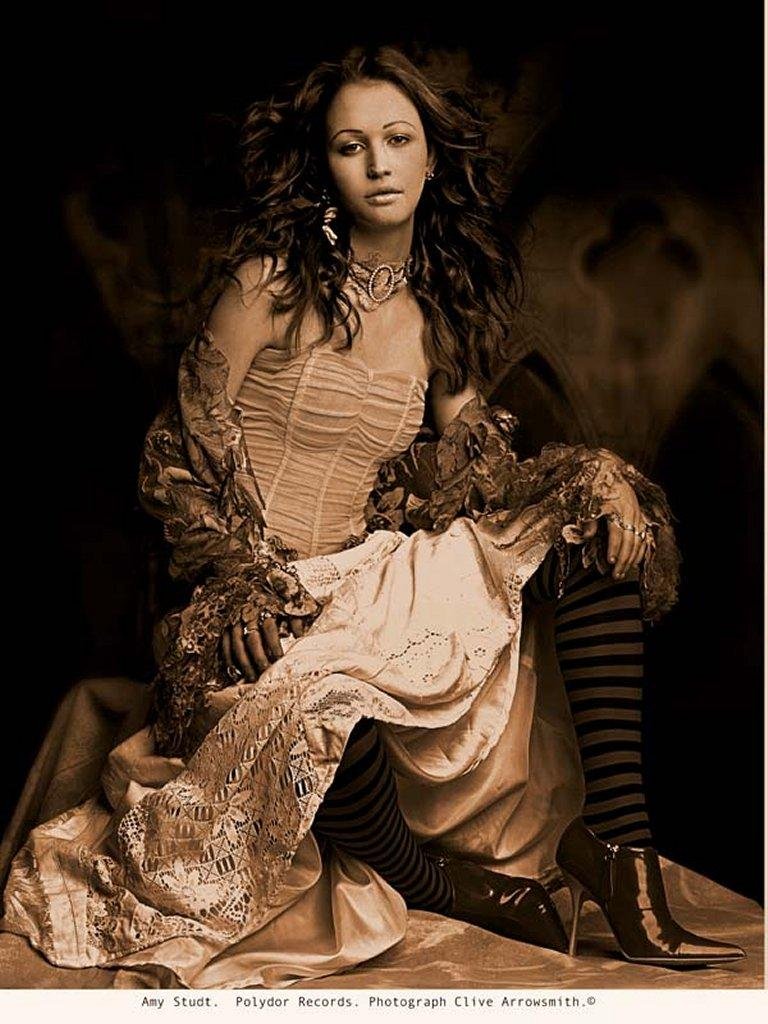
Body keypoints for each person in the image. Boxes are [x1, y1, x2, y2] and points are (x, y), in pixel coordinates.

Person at [2, 45, 745, 987]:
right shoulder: (267, 283)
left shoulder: (439, 314)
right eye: (352, 146)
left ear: (432, 159)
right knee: (327, 709)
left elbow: (483, 470)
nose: (379, 165)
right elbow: (179, 452)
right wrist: (244, 583)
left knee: (579, 524)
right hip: (244, 599)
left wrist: (593, 480)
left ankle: (621, 851)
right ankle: (442, 885)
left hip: (359, 587)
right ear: (324, 165)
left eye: (398, 141)